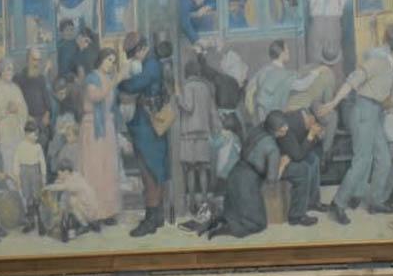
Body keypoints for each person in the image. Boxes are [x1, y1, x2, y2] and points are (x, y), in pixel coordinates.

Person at [319, 34, 393, 225]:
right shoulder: (378, 62)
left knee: (384, 159)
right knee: (362, 160)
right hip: (362, 110)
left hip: (375, 111)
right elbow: (352, 81)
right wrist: (333, 103)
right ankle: (338, 203)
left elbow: (381, 90)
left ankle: (376, 201)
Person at [194, 112, 290, 239]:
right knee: (256, 224)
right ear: (278, 130)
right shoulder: (273, 148)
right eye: (283, 127)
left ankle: (214, 222)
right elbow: (271, 181)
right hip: (247, 184)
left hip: (235, 174)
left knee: (232, 214)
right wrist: (283, 164)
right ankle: (220, 231)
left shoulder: (257, 131)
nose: (286, 129)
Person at [119, 34, 172, 238]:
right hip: (146, 124)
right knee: (149, 170)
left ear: (142, 48)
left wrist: (119, 81)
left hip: (149, 125)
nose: (133, 58)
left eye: (133, 54)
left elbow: (132, 86)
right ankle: (155, 216)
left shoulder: (150, 65)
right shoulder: (149, 64)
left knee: (150, 170)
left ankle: (152, 219)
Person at [79, 48, 122, 224]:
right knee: (94, 169)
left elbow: (111, 105)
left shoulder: (109, 78)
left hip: (107, 127)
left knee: (108, 170)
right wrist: (114, 82)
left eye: (113, 61)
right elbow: (95, 96)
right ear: (100, 60)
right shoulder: (92, 77)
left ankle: (107, 212)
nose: (110, 64)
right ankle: (93, 213)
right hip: (93, 128)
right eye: (108, 60)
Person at [177, 56, 222, 217]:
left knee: (190, 169)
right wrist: (216, 128)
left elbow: (188, 107)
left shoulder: (187, 87)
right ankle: (203, 200)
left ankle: (191, 203)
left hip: (189, 133)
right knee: (203, 168)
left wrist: (177, 98)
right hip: (203, 132)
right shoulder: (207, 87)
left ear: (187, 73)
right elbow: (212, 111)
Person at [248, 40, 322, 124]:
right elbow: (302, 85)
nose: (289, 51)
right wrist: (316, 72)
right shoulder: (285, 75)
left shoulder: (263, 70)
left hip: (260, 115)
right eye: (287, 49)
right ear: (282, 53)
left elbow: (250, 88)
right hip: (275, 119)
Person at [274, 108, 325, 226]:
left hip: (291, 151)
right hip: (279, 159)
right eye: (313, 122)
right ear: (308, 120)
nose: (315, 124)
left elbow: (304, 147)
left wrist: (316, 136)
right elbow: (297, 156)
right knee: (303, 168)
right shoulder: (288, 127)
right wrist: (311, 135)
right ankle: (296, 216)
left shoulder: (303, 115)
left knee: (314, 159)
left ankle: (312, 202)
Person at [0, 58, 28, 172]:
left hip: (17, 130)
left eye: (12, 70)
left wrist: (18, 109)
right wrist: (7, 110)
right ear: (1, 71)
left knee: (19, 159)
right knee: (7, 160)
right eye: (8, 69)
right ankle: (10, 186)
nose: (10, 72)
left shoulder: (16, 88)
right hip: (4, 131)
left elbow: (24, 109)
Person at [44, 159, 103, 237]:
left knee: (71, 200)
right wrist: (58, 182)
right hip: (87, 206)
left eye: (60, 173)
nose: (59, 175)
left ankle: (85, 225)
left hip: (89, 209)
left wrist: (47, 188)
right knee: (68, 199)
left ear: (66, 172)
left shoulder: (74, 180)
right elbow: (61, 184)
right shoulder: (73, 175)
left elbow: (63, 187)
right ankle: (84, 222)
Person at [14, 47, 55, 148]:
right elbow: (17, 102)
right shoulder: (19, 78)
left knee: (45, 142)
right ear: (28, 59)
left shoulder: (41, 78)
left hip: (42, 121)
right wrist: (27, 116)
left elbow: (47, 101)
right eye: (34, 59)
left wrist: (47, 114)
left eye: (39, 60)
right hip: (26, 120)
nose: (37, 63)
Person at [11, 119, 47, 229]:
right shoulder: (20, 146)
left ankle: (41, 223)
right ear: (27, 133)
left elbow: (42, 162)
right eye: (35, 134)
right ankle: (31, 222)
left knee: (37, 197)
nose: (37, 137)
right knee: (28, 198)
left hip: (35, 173)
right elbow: (16, 161)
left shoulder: (38, 147)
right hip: (24, 174)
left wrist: (44, 175)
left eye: (38, 134)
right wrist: (16, 177)